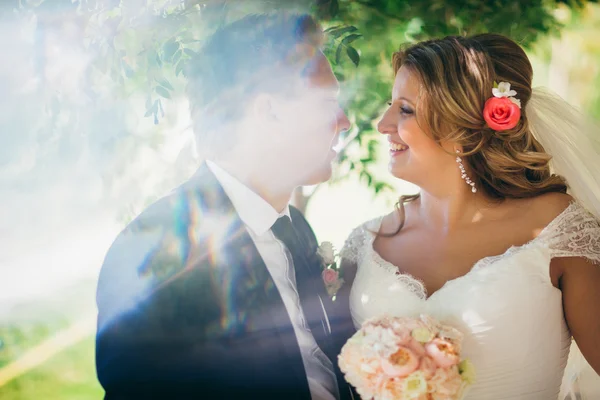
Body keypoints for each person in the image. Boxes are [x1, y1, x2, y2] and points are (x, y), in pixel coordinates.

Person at [95, 12, 356, 399]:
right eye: (327, 101)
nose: (345, 120)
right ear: (269, 111)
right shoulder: (154, 253)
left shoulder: (296, 227)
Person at [339, 33, 600, 399]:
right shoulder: (365, 245)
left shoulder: (557, 230)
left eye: (405, 109)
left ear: (459, 128)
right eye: (390, 105)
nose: (383, 124)